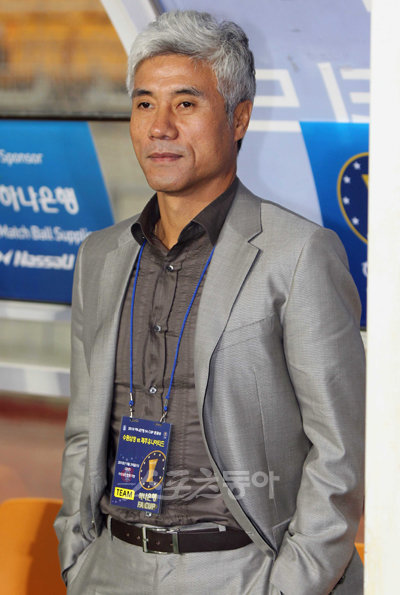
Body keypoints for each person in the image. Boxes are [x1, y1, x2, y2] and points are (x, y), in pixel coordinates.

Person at [55, 10, 365, 595]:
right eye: (144, 104)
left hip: (241, 570)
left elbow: (341, 449)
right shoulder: (100, 257)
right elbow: (83, 430)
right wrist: (79, 555)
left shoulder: (298, 254)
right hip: (111, 567)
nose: (160, 127)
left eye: (186, 103)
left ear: (239, 117)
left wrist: (292, 584)